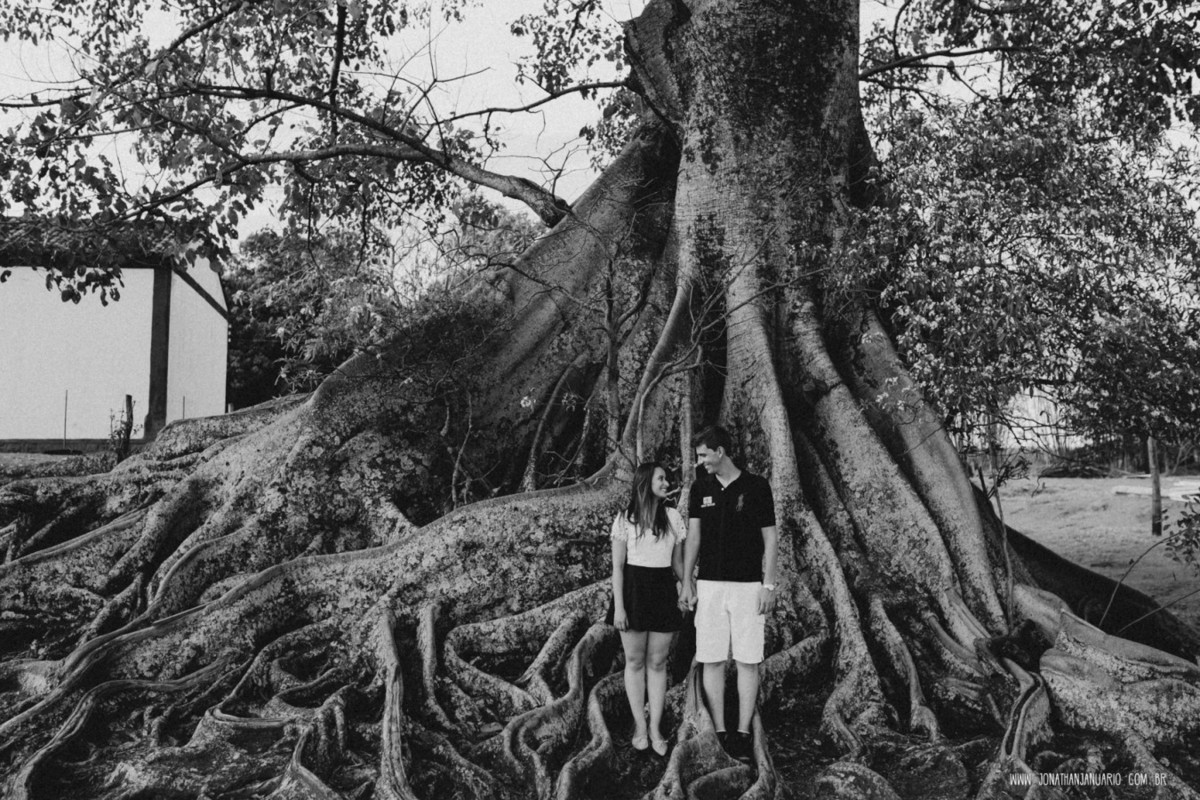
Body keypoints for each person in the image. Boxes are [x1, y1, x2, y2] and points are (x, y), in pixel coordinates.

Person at [678, 426, 778, 764]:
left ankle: (745, 731)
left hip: (749, 586)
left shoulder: (757, 487)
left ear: (721, 452)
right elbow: (693, 538)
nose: (700, 462)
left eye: (704, 455)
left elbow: (771, 539)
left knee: (749, 658)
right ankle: (720, 730)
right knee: (712, 657)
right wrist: (688, 582)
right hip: (709, 585)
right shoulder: (700, 488)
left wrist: (769, 584)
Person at [609, 462, 686, 757]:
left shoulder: (672, 517)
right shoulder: (625, 519)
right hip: (633, 593)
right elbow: (617, 568)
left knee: (657, 663)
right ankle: (639, 725)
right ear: (645, 482)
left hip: (663, 593)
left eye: (667, 479)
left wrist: (689, 587)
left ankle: (655, 726)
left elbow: (677, 565)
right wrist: (619, 607)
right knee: (634, 661)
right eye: (661, 478)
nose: (667, 483)